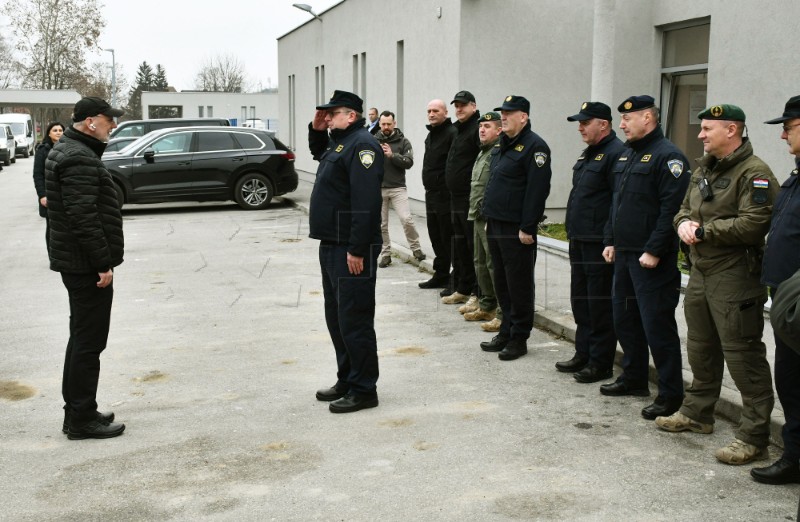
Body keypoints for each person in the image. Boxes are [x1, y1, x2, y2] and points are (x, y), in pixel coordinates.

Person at [656, 104, 777, 466]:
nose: (700, 134)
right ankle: (697, 413)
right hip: (702, 271)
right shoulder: (703, 168)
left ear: (732, 130)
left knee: (743, 355)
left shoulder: (755, 173)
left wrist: (704, 231)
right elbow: (683, 209)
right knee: (700, 346)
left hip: (735, 275)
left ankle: (754, 437)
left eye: (708, 128)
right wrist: (682, 225)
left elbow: (755, 223)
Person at [599, 95, 690, 420]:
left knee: (657, 327)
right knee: (625, 320)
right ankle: (634, 377)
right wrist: (611, 239)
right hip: (624, 256)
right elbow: (617, 203)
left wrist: (653, 249)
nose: (621, 125)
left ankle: (670, 394)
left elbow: (671, 210)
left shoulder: (669, 158)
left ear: (648, 119)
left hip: (652, 261)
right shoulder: (628, 155)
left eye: (627, 119)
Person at [46, 97, 126, 439]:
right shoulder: (77, 157)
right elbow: (83, 217)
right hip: (84, 264)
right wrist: (102, 263)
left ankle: (78, 410)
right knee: (89, 342)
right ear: (91, 122)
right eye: (109, 120)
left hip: (75, 261)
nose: (114, 125)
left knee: (81, 338)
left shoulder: (72, 150)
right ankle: (81, 418)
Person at [308, 90, 384, 414]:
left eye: (332, 113)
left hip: (351, 248)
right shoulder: (341, 142)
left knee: (355, 319)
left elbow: (366, 203)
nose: (327, 117)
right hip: (332, 244)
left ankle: (365, 388)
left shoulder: (363, 145)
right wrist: (316, 127)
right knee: (337, 318)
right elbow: (317, 152)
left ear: (350, 115)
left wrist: (357, 249)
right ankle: (347, 378)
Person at [751, 95, 800, 484]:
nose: (783, 134)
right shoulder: (796, 176)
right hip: (786, 301)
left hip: (798, 302)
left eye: (790, 126)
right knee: (791, 381)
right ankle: (796, 454)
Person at [480, 95, 551, 361]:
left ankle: (519, 337)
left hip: (516, 229)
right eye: (503, 113)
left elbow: (537, 190)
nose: (504, 117)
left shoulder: (536, 147)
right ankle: (506, 330)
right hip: (496, 223)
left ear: (524, 116)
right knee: (501, 281)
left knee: (518, 284)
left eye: (510, 113)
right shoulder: (503, 146)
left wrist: (527, 227)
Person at [556, 102, 624, 383]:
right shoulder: (591, 153)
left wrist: (610, 239)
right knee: (580, 301)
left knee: (598, 305)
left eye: (585, 122)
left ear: (604, 124)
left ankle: (600, 362)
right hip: (580, 238)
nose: (580, 127)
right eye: (579, 123)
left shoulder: (616, 154)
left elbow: (616, 203)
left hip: (598, 242)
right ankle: (582, 352)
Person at [463, 111, 503, 329]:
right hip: (476, 215)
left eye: (487, 126)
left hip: (488, 216)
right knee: (479, 263)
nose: (482, 129)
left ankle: (498, 308)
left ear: (499, 130)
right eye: (481, 126)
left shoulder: (497, 153)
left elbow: (494, 186)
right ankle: (486, 305)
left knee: (492, 263)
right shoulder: (483, 152)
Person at [441, 90, 481, 303]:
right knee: (460, 246)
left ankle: (477, 291)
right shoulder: (458, 130)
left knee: (472, 247)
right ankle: (463, 288)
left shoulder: (476, 129)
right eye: (456, 105)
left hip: (469, 198)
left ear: (473, 106)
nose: (459, 109)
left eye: (463, 105)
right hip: (454, 198)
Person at [375, 110, 425, 268]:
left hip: (398, 188)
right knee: (381, 224)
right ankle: (386, 254)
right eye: (383, 124)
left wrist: (392, 155)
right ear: (379, 124)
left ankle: (416, 249)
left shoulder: (403, 142)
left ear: (394, 124)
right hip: (379, 189)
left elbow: (409, 162)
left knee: (406, 219)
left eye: (389, 124)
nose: (386, 127)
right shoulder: (373, 141)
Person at [418, 99, 457, 290]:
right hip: (431, 195)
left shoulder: (451, 133)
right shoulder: (431, 135)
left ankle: (454, 277)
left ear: (445, 113)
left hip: (445, 195)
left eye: (435, 111)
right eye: (429, 111)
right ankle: (440, 274)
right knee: (435, 237)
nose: (431, 114)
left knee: (448, 238)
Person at [33, 121, 64, 248]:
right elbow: (38, 175)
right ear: (49, 133)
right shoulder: (42, 150)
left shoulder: (67, 148)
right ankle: (52, 255)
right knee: (52, 228)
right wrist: (42, 195)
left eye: (60, 130)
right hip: (50, 195)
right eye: (55, 130)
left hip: (65, 194)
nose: (58, 133)